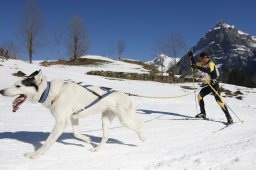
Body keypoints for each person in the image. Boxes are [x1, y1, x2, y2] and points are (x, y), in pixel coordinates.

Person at [188, 50, 233, 124]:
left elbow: (208, 70)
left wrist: (197, 67)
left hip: (215, 85)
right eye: (200, 59)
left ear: (206, 58)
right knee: (199, 96)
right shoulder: (202, 63)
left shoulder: (211, 63)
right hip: (209, 85)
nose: (201, 60)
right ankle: (203, 113)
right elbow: (194, 64)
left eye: (202, 59)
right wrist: (191, 57)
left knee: (219, 102)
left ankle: (229, 118)